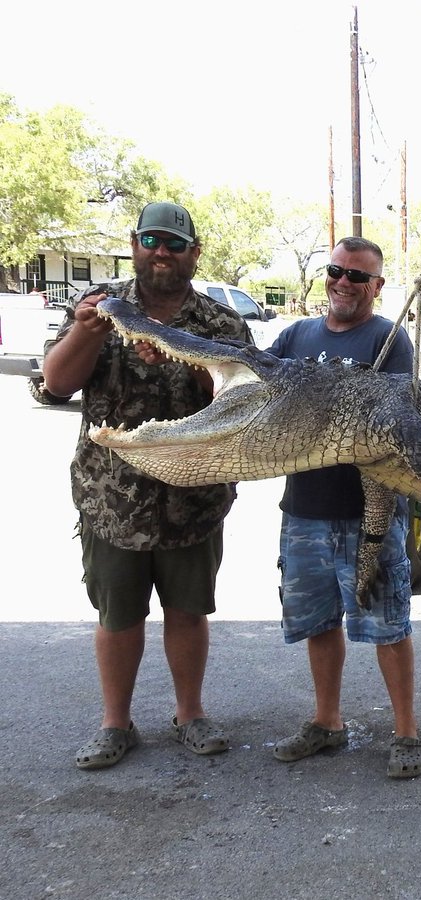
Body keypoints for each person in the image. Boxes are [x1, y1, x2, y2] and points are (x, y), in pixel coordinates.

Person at [43, 201, 253, 770]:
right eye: (152, 240)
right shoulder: (98, 307)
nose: (162, 252)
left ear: (194, 252)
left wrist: (182, 357)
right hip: (111, 498)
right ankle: (116, 724)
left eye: (175, 243)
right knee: (118, 615)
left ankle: (190, 714)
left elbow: (242, 405)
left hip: (194, 497)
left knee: (188, 611)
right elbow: (57, 383)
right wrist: (88, 333)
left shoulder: (221, 324)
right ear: (135, 244)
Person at [266, 236, 421, 779]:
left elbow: (391, 423)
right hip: (304, 509)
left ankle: (406, 732)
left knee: (388, 623)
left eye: (358, 277)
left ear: (376, 287)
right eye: (337, 271)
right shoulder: (293, 336)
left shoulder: (389, 342)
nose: (344, 283)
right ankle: (326, 721)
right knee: (318, 621)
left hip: (370, 515)